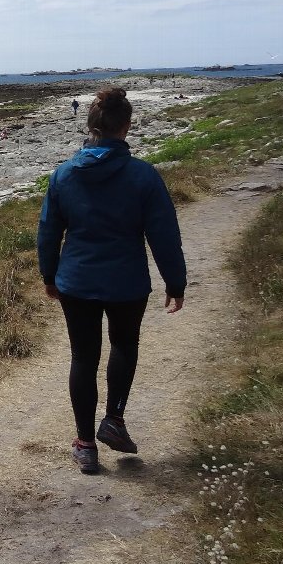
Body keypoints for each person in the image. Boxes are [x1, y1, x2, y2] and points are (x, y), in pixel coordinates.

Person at [37, 87, 187, 475]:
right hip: (127, 282)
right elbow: (164, 233)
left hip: (76, 281)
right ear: (127, 126)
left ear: (91, 127)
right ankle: (114, 420)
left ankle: (86, 445)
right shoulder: (143, 175)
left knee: (83, 357)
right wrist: (175, 280)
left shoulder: (64, 175)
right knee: (124, 345)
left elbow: (48, 232)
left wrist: (48, 275)